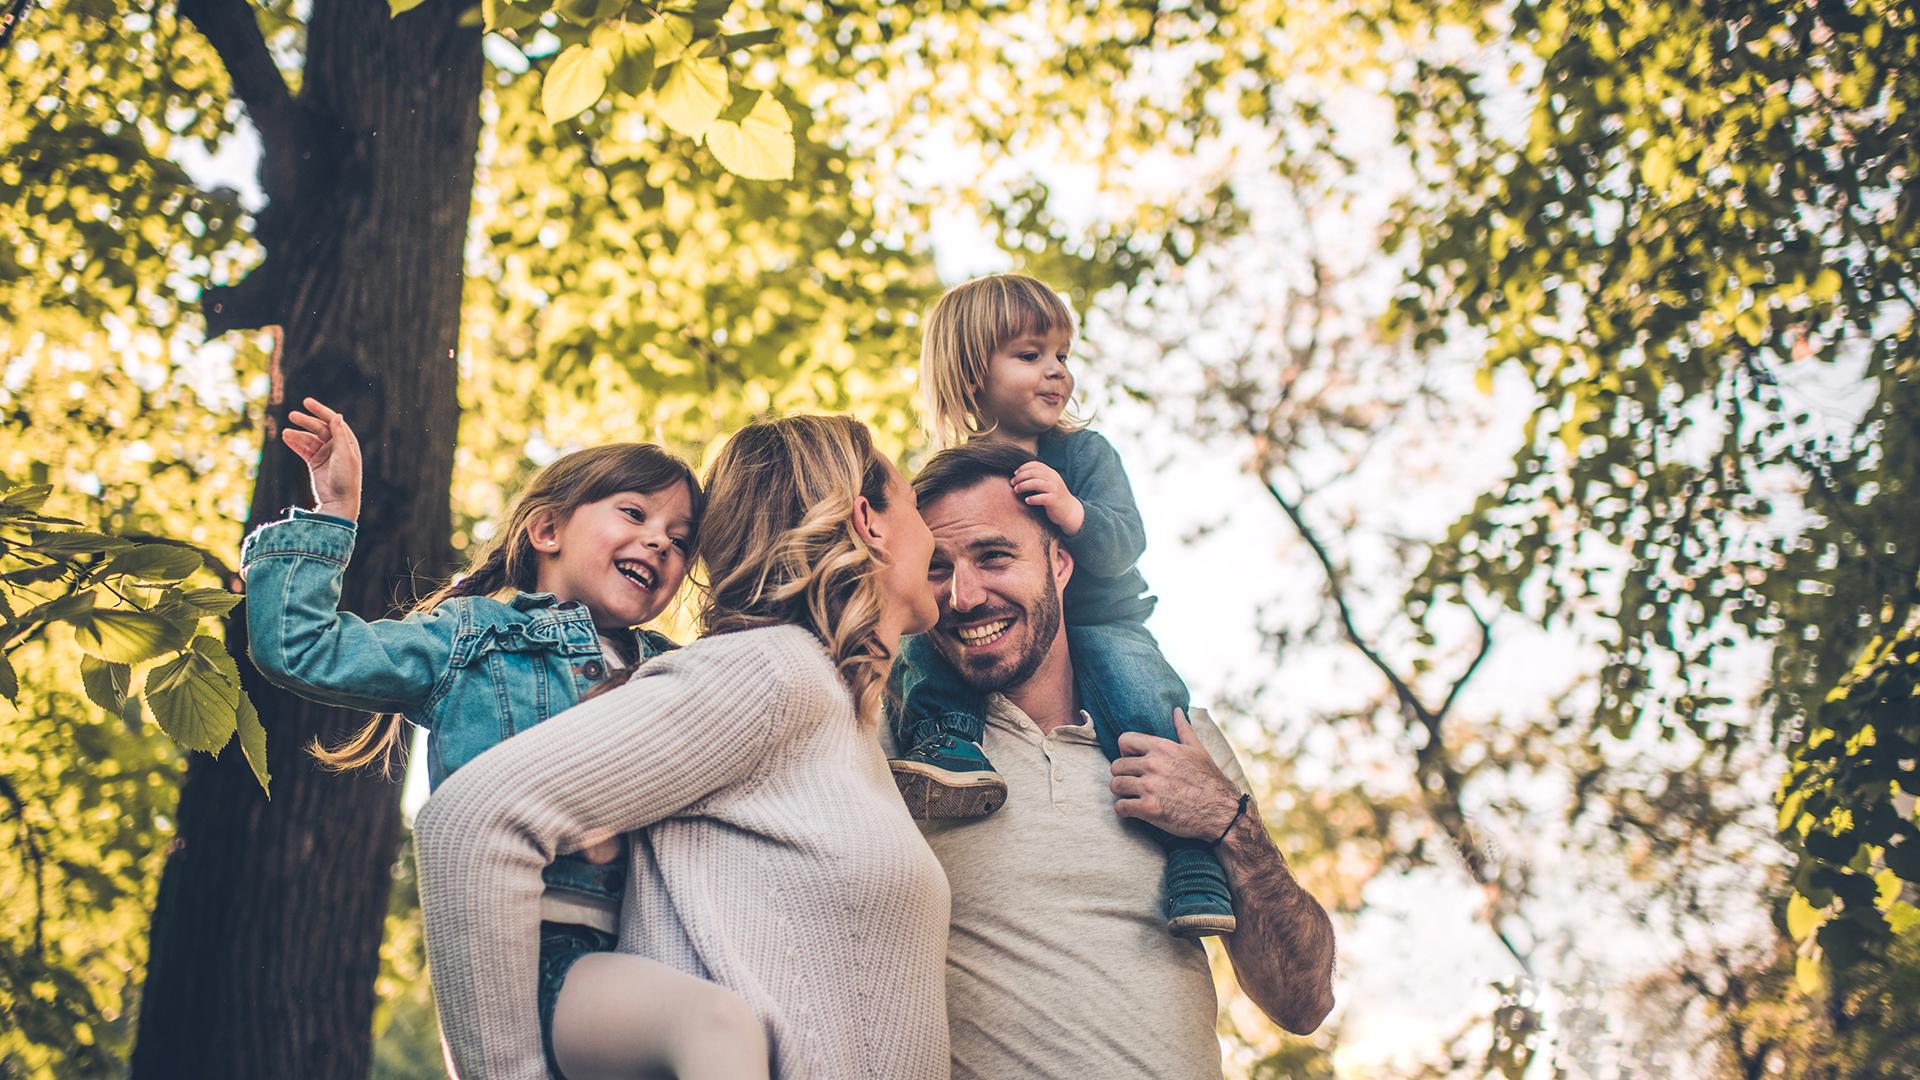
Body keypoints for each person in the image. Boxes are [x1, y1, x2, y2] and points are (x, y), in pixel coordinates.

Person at [414, 414, 953, 1080]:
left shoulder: (840, 711)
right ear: (868, 518)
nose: (934, 536)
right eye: (916, 506)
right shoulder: (770, 672)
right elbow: (470, 821)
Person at [240, 398, 765, 1078]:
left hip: (644, 951)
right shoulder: (475, 639)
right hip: (531, 960)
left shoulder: (672, 669)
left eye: (680, 537)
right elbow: (299, 644)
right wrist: (334, 512)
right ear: (547, 529)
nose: (662, 541)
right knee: (716, 1026)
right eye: (634, 514)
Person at [896, 440, 1337, 1078]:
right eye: (938, 568)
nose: (964, 596)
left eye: (995, 556)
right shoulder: (902, 745)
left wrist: (1227, 822)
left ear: (1060, 562)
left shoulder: (1180, 738)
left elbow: (1303, 1000)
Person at [887, 272, 1236, 937]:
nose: (1056, 372)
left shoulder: (1082, 455)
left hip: (1100, 620)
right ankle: (947, 746)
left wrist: (1072, 513)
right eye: (1030, 356)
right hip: (997, 634)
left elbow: (1125, 542)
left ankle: (1193, 859)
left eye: (1062, 356)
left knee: (1140, 695)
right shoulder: (948, 479)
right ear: (969, 377)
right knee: (921, 644)